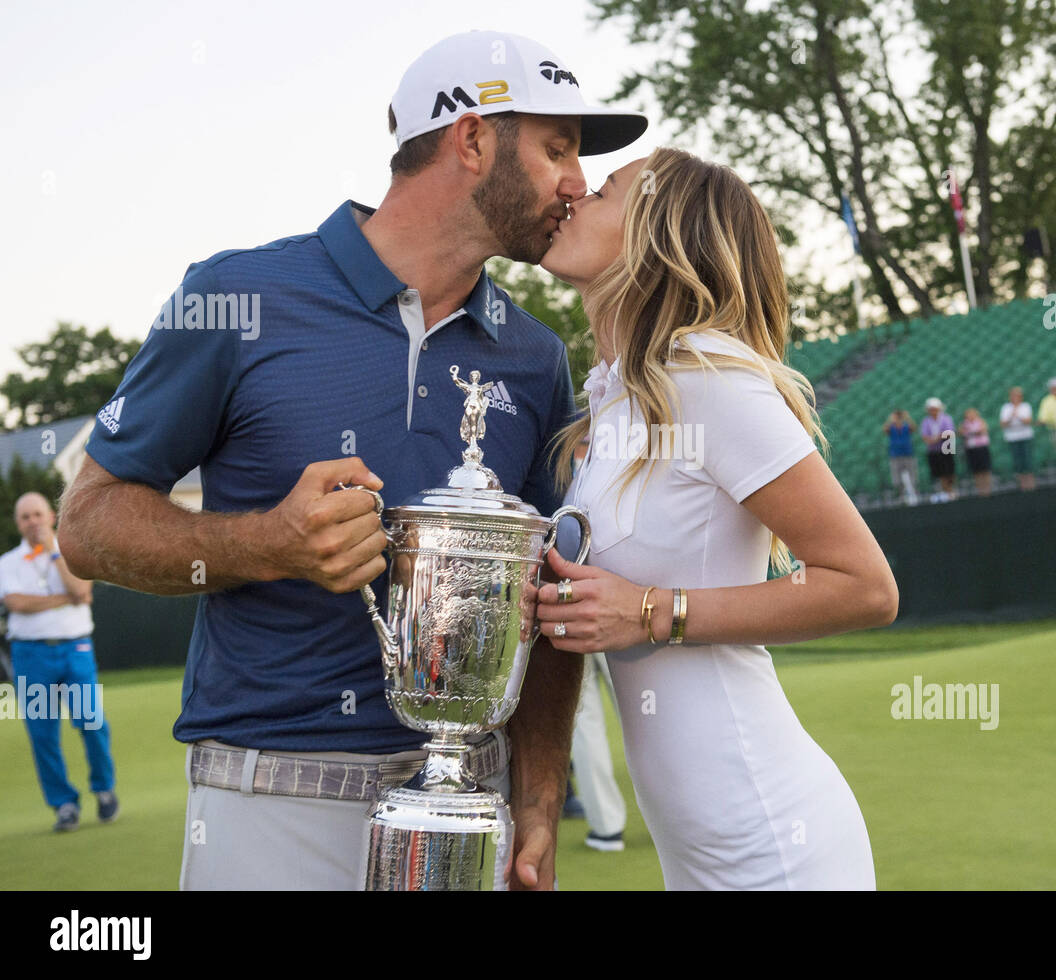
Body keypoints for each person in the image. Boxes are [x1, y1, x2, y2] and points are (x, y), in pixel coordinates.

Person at [57, 31, 648, 890]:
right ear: (472, 138)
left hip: (462, 809)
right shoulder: (236, 297)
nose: (577, 182)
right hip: (268, 805)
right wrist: (268, 543)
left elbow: (550, 589)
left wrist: (539, 792)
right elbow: (87, 523)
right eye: (556, 148)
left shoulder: (534, 355)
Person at [535, 147, 898, 889]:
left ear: (654, 234)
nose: (573, 196)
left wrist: (652, 611)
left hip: (773, 844)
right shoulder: (613, 401)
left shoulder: (705, 379)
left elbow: (866, 585)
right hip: (698, 854)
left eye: (602, 192)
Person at [0, 492, 117, 832]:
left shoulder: (72, 552)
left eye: (37, 514)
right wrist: (64, 599)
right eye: (25, 517)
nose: (32, 521)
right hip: (31, 655)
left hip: (75, 651)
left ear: (50, 516)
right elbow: (17, 603)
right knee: (43, 734)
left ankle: (104, 789)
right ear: (18, 523)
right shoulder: (8, 563)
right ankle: (64, 804)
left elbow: (80, 591)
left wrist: (54, 553)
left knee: (92, 722)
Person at [570, 652, 627, 851]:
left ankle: (606, 828)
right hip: (625, 627)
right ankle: (671, 814)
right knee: (642, 711)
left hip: (566, 625)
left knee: (585, 722)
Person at [999, 386, 1036, 490]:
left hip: (1025, 436)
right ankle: (1022, 485)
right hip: (1013, 438)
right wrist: (1011, 415)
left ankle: (1031, 485)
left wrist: (1018, 415)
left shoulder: (1025, 406)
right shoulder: (1006, 408)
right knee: (1018, 462)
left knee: (1027, 461)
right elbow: (1003, 424)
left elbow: (1028, 421)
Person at [920, 397, 958, 501]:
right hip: (934, 451)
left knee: (949, 472)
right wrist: (932, 439)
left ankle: (951, 491)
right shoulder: (926, 421)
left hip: (946, 449)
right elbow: (924, 436)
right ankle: (944, 492)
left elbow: (949, 432)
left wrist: (937, 437)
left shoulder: (946, 419)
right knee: (939, 473)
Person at [881, 409, 919, 505]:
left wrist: (907, 418)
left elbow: (914, 428)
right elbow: (884, 429)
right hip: (895, 455)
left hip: (908, 453)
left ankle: (914, 495)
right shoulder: (892, 427)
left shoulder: (906, 427)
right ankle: (901, 496)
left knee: (912, 476)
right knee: (897, 479)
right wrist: (891, 419)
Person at [959, 408, 993, 496]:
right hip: (971, 449)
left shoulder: (980, 421)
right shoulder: (964, 424)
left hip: (982, 448)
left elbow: (982, 430)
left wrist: (970, 433)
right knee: (976, 471)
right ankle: (980, 491)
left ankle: (988, 490)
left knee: (985, 470)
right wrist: (974, 432)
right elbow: (961, 432)